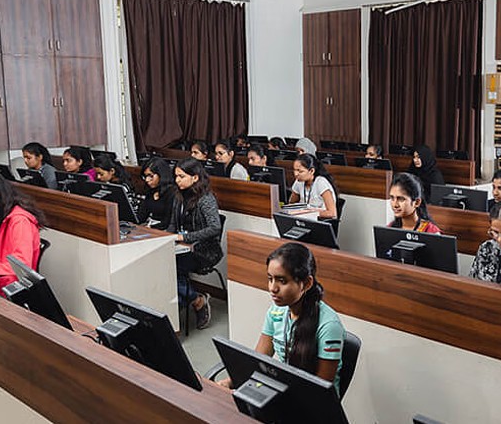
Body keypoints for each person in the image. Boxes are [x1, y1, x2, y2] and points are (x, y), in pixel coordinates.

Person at [218, 242, 345, 395]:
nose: (273, 288)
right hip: (284, 392)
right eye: (270, 279)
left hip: (313, 407)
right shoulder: (276, 312)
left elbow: (320, 392)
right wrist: (230, 382)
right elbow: (259, 361)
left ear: (307, 283)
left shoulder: (329, 326)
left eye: (282, 281)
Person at [166, 158, 222, 329]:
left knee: (169, 268)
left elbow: (215, 227)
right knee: (160, 263)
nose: (177, 180)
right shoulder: (178, 197)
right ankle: (191, 299)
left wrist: (185, 238)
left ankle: (197, 301)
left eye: (181, 177)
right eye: (176, 176)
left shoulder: (206, 198)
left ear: (195, 177)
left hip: (205, 250)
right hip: (181, 247)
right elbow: (173, 225)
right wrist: (166, 238)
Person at [289, 153, 338, 219]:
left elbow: (332, 213)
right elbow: (291, 203)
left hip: (321, 220)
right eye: (294, 170)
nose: (296, 174)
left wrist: (310, 212)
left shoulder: (321, 182)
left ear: (312, 171)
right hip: (303, 218)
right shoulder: (299, 181)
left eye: (300, 171)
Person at [137, 157, 174, 230]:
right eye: (145, 176)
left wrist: (150, 227)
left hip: (163, 230)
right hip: (150, 227)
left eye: (151, 176)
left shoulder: (172, 193)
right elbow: (142, 216)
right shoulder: (151, 191)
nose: (147, 180)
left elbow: (167, 222)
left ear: (161, 175)